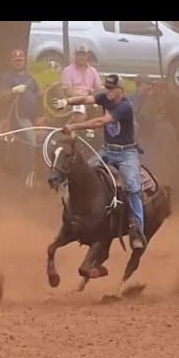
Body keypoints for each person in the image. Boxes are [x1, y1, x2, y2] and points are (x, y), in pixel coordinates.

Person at [53, 74, 146, 250]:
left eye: (111, 88)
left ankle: (137, 231)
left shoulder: (125, 106)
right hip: (107, 150)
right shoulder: (105, 97)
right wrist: (68, 102)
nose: (108, 91)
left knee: (133, 187)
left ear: (120, 90)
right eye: (107, 87)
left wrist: (73, 126)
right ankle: (78, 213)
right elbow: (87, 98)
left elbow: (100, 122)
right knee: (83, 172)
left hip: (126, 154)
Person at [0, 48, 46, 188]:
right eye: (16, 60)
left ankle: (46, 172)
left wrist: (48, 90)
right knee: (32, 139)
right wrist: (13, 91)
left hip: (34, 117)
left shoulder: (30, 77)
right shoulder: (8, 77)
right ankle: (29, 173)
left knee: (50, 138)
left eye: (20, 60)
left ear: (24, 60)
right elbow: (0, 97)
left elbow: (38, 95)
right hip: (19, 117)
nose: (18, 62)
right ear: (11, 62)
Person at [60, 44, 103, 141]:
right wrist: (81, 96)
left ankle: (98, 138)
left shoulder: (93, 71)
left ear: (87, 56)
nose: (81, 57)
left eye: (84, 55)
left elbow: (99, 88)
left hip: (91, 99)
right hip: (73, 100)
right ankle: (74, 134)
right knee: (80, 107)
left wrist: (92, 92)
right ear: (75, 56)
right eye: (79, 54)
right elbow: (67, 90)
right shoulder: (67, 70)